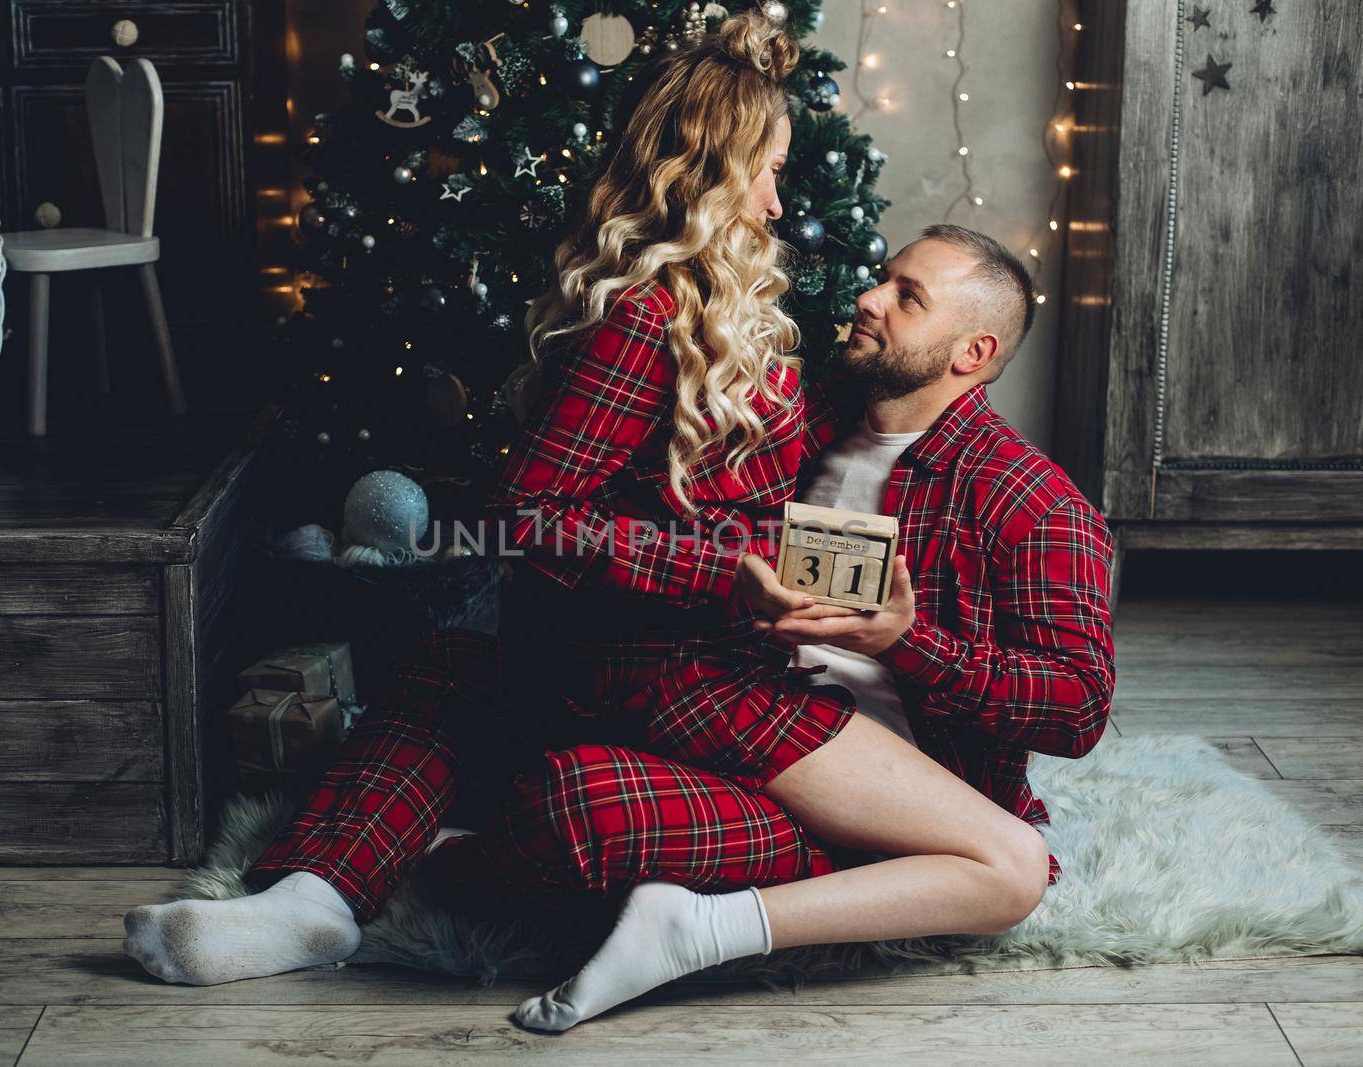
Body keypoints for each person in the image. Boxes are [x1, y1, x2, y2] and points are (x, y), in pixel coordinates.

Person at [122, 9, 841, 986]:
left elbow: (732, 506)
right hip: (646, 647)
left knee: (449, 684)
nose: (775, 197)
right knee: (451, 677)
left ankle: (329, 890)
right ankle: (314, 898)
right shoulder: (648, 315)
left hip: (701, 659)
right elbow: (527, 514)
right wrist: (727, 569)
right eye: (764, 168)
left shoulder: (737, 316)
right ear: (706, 173)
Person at [422, 224, 1116, 1031]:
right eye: (882, 278)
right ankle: (855, 889)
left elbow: (1076, 706)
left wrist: (905, 644)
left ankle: (714, 923)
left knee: (585, 805)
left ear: (970, 352)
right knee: (570, 786)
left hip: (893, 784)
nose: (868, 298)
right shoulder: (796, 415)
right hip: (739, 713)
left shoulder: (1030, 500)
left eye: (906, 296)